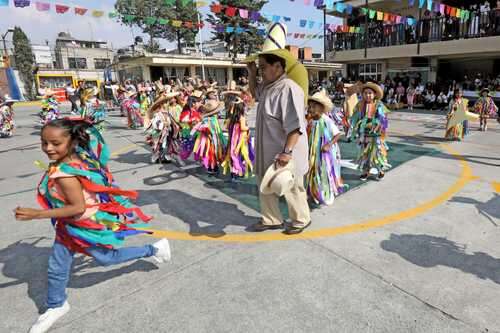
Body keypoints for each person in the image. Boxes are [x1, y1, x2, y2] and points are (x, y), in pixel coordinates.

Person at [14, 118, 171, 333]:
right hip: (68, 226)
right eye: (44, 143)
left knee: (107, 258)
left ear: (71, 141)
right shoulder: (73, 159)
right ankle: (57, 304)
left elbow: (77, 207)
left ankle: (153, 249)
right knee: (56, 266)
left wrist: (37, 214)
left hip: (85, 227)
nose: (48, 148)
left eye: (55, 143)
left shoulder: (65, 174)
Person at [247, 22, 311, 235]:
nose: (261, 70)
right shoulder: (268, 87)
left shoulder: (289, 89)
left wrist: (287, 152)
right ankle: (271, 219)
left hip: (285, 151)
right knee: (264, 185)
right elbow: (255, 92)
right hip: (267, 149)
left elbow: (296, 126)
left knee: (293, 187)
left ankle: (301, 219)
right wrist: (252, 72)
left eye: (263, 66)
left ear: (278, 66)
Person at [305, 90, 345, 205]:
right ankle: (314, 192)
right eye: (309, 106)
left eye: (313, 107)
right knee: (314, 171)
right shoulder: (311, 121)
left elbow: (338, 134)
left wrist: (329, 144)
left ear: (321, 109)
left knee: (325, 172)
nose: (310, 109)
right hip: (314, 152)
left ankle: (328, 192)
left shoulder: (327, 121)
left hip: (326, 153)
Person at [350, 82, 391, 181]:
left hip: (375, 136)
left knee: (377, 153)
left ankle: (380, 170)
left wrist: (375, 124)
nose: (368, 95)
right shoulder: (360, 105)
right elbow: (355, 118)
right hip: (364, 135)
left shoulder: (378, 105)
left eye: (370, 93)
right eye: (365, 93)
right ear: (363, 94)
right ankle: (365, 172)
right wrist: (357, 125)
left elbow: (383, 119)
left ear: (374, 94)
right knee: (365, 154)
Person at [221, 95, 254, 179]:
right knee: (239, 153)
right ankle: (239, 171)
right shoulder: (241, 117)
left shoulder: (232, 118)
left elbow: (226, 127)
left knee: (233, 154)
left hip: (232, 140)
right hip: (240, 140)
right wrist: (248, 128)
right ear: (241, 108)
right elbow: (243, 128)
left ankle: (233, 171)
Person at [191, 100, 227, 174]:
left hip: (213, 139)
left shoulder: (211, 119)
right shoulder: (209, 120)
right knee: (211, 152)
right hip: (210, 139)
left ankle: (213, 167)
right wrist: (212, 137)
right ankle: (212, 167)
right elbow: (208, 130)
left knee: (213, 153)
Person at [145, 92, 182, 163]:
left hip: (167, 131)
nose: (166, 103)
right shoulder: (156, 113)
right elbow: (155, 123)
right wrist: (163, 124)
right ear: (160, 104)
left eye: (166, 102)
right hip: (158, 132)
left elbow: (172, 120)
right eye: (164, 102)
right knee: (158, 144)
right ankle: (158, 157)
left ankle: (164, 157)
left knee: (166, 144)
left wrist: (175, 126)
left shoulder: (166, 112)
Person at [179, 91, 203, 160]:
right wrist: (192, 120)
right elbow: (182, 120)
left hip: (197, 133)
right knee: (187, 150)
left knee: (199, 146)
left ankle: (199, 159)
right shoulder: (187, 111)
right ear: (193, 103)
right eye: (198, 102)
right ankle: (177, 154)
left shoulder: (196, 111)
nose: (200, 104)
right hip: (188, 133)